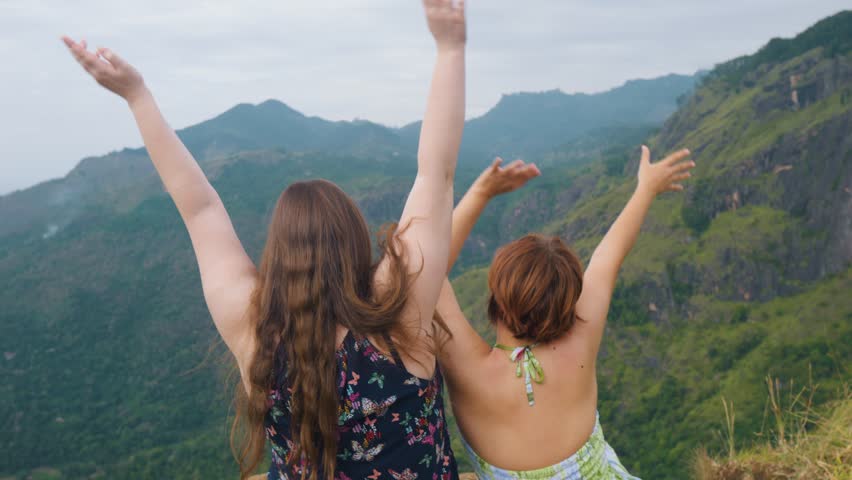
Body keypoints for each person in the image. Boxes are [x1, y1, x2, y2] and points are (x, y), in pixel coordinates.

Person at [61, 1, 467, 479]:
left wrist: (137, 97)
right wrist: (450, 47)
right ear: (356, 245)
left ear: (279, 255)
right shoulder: (398, 316)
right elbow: (434, 174)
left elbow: (199, 207)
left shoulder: (255, 332)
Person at [438, 147, 695, 479]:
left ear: (496, 300)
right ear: (570, 302)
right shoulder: (580, 342)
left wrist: (481, 193)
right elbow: (607, 258)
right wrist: (646, 188)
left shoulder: (470, 371)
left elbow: (423, 270)